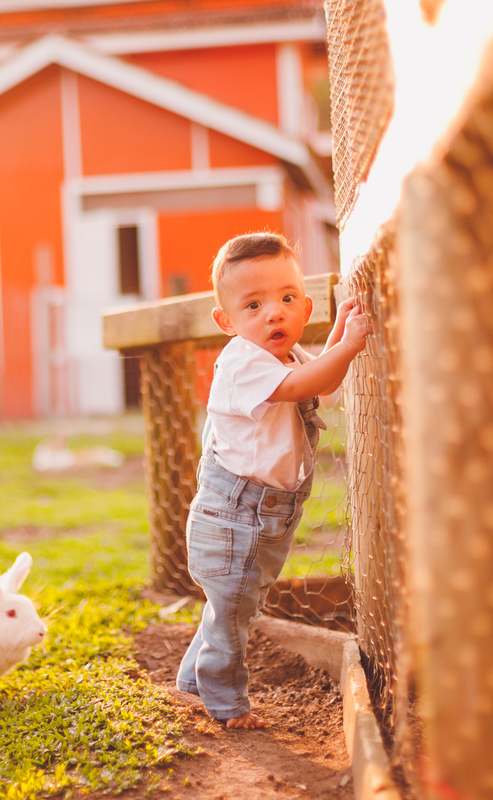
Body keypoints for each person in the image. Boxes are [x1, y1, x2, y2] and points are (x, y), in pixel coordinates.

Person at [176, 232, 371, 729]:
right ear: (227, 322)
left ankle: (192, 683)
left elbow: (323, 381)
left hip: (261, 518)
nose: (273, 314)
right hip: (232, 519)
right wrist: (350, 344)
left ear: (306, 307)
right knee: (232, 616)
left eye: (286, 299)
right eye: (254, 305)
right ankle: (228, 704)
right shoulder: (242, 362)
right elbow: (304, 385)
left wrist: (337, 337)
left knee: (231, 609)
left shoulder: (288, 356)